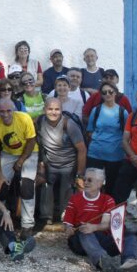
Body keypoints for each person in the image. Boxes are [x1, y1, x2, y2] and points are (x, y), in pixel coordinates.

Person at [63, 168, 137, 272]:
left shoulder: (107, 199)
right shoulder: (75, 199)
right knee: (84, 231)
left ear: (99, 183)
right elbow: (67, 223)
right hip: (81, 241)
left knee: (129, 235)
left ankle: (129, 262)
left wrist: (94, 227)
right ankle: (102, 261)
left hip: (101, 238)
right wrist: (68, 228)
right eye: (85, 179)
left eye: (90, 180)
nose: (86, 183)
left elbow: (106, 224)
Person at [36, 98, 87, 233]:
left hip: (68, 164)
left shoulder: (69, 125)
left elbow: (82, 149)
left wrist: (79, 174)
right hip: (50, 163)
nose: (53, 112)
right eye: (50, 109)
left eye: (57, 109)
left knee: (67, 190)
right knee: (46, 188)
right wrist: (40, 165)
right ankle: (46, 218)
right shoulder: (40, 121)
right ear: (44, 109)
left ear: (61, 110)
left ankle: (67, 218)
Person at [0, 99, 36, 224]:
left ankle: (27, 223)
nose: (5, 114)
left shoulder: (24, 118)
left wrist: (21, 161)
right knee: (0, 186)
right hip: (8, 153)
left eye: (8, 111)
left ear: (14, 110)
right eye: (2, 111)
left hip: (29, 152)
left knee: (27, 186)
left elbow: (31, 141)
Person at [86, 84, 127, 193]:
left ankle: (109, 208)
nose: (107, 94)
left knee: (112, 187)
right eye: (104, 92)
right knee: (92, 184)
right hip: (95, 154)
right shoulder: (96, 110)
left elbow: (127, 135)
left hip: (115, 155)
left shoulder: (122, 112)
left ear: (115, 93)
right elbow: (90, 131)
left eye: (110, 91)